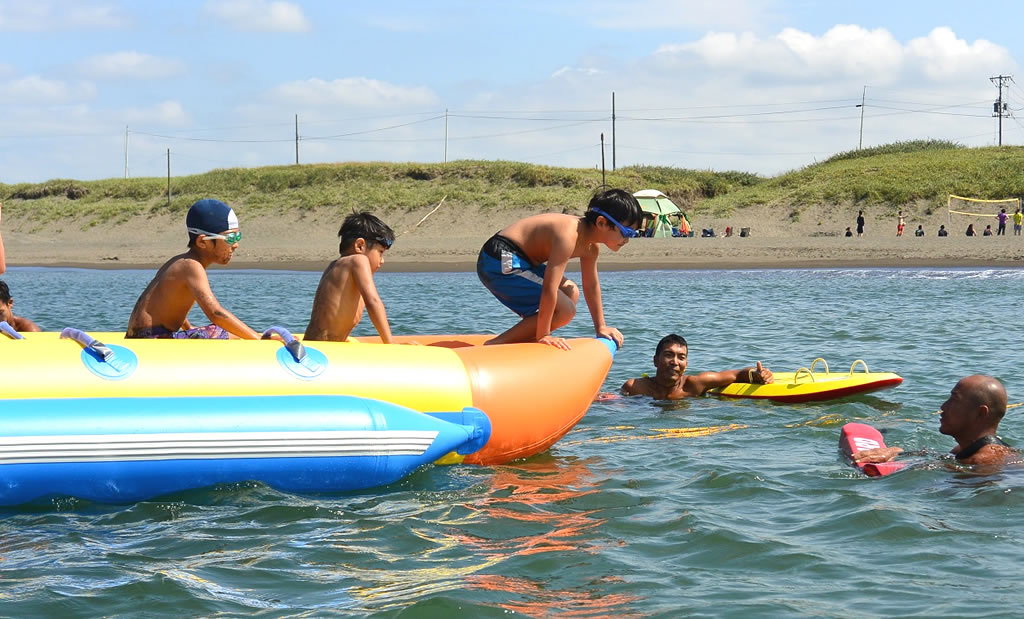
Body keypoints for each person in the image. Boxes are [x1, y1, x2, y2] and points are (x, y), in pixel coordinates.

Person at [476, 188, 641, 350]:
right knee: (566, 310)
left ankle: (527, 334)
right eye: (626, 232)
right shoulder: (569, 235)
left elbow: (591, 286)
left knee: (571, 292)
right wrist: (544, 335)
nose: (628, 240)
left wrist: (601, 327)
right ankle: (497, 344)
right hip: (499, 259)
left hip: (521, 261)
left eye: (634, 234)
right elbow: (550, 287)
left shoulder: (591, 248)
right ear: (601, 223)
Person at [126, 199, 258, 339]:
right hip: (154, 339)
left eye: (238, 236)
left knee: (221, 332)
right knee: (219, 332)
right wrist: (258, 339)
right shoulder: (192, 266)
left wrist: (188, 328)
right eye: (230, 238)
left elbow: (168, 304)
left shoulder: (177, 262)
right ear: (202, 242)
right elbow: (215, 313)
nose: (236, 244)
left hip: (138, 336)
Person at [851, 375, 1016, 468]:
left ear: (980, 413)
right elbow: (942, 459)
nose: (943, 406)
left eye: (954, 400)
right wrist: (900, 453)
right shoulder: (966, 450)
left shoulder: (984, 462)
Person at [304, 212, 396, 343]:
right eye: (380, 252)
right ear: (360, 246)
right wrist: (390, 344)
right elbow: (373, 302)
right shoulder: (359, 260)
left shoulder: (334, 266)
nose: (382, 261)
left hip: (314, 343)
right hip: (324, 348)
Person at [620, 334, 774, 399]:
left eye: (681, 357)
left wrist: (757, 374)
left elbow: (737, 374)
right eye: (668, 355)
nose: (675, 361)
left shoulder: (695, 384)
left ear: (686, 365)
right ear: (655, 360)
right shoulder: (635, 387)